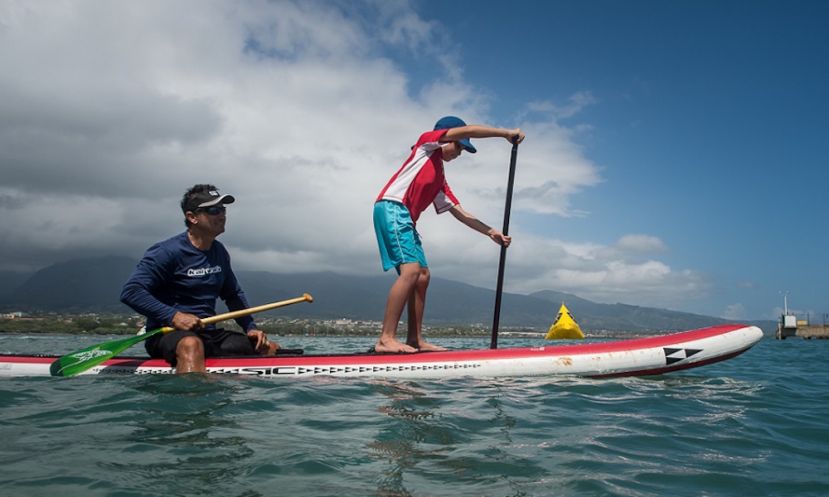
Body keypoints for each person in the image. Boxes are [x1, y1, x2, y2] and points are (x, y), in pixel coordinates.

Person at [373, 116, 525, 353]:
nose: (460, 153)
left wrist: (491, 232)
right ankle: (386, 339)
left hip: (405, 219)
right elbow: (471, 129)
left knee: (423, 276)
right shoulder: (426, 145)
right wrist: (505, 133)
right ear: (447, 137)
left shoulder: (439, 178)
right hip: (392, 207)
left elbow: (459, 211)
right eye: (460, 146)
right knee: (411, 271)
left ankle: (415, 339)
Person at [120, 184, 278, 373]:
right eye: (213, 210)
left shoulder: (219, 251)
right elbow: (131, 292)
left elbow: (233, 295)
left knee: (268, 348)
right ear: (192, 217)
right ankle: (193, 399)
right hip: (168, 335)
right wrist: (174, 316)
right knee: (190, 344)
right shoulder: (166, 252)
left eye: (223, 209)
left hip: (207, 334)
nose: (221, 215)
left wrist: (250, 328)